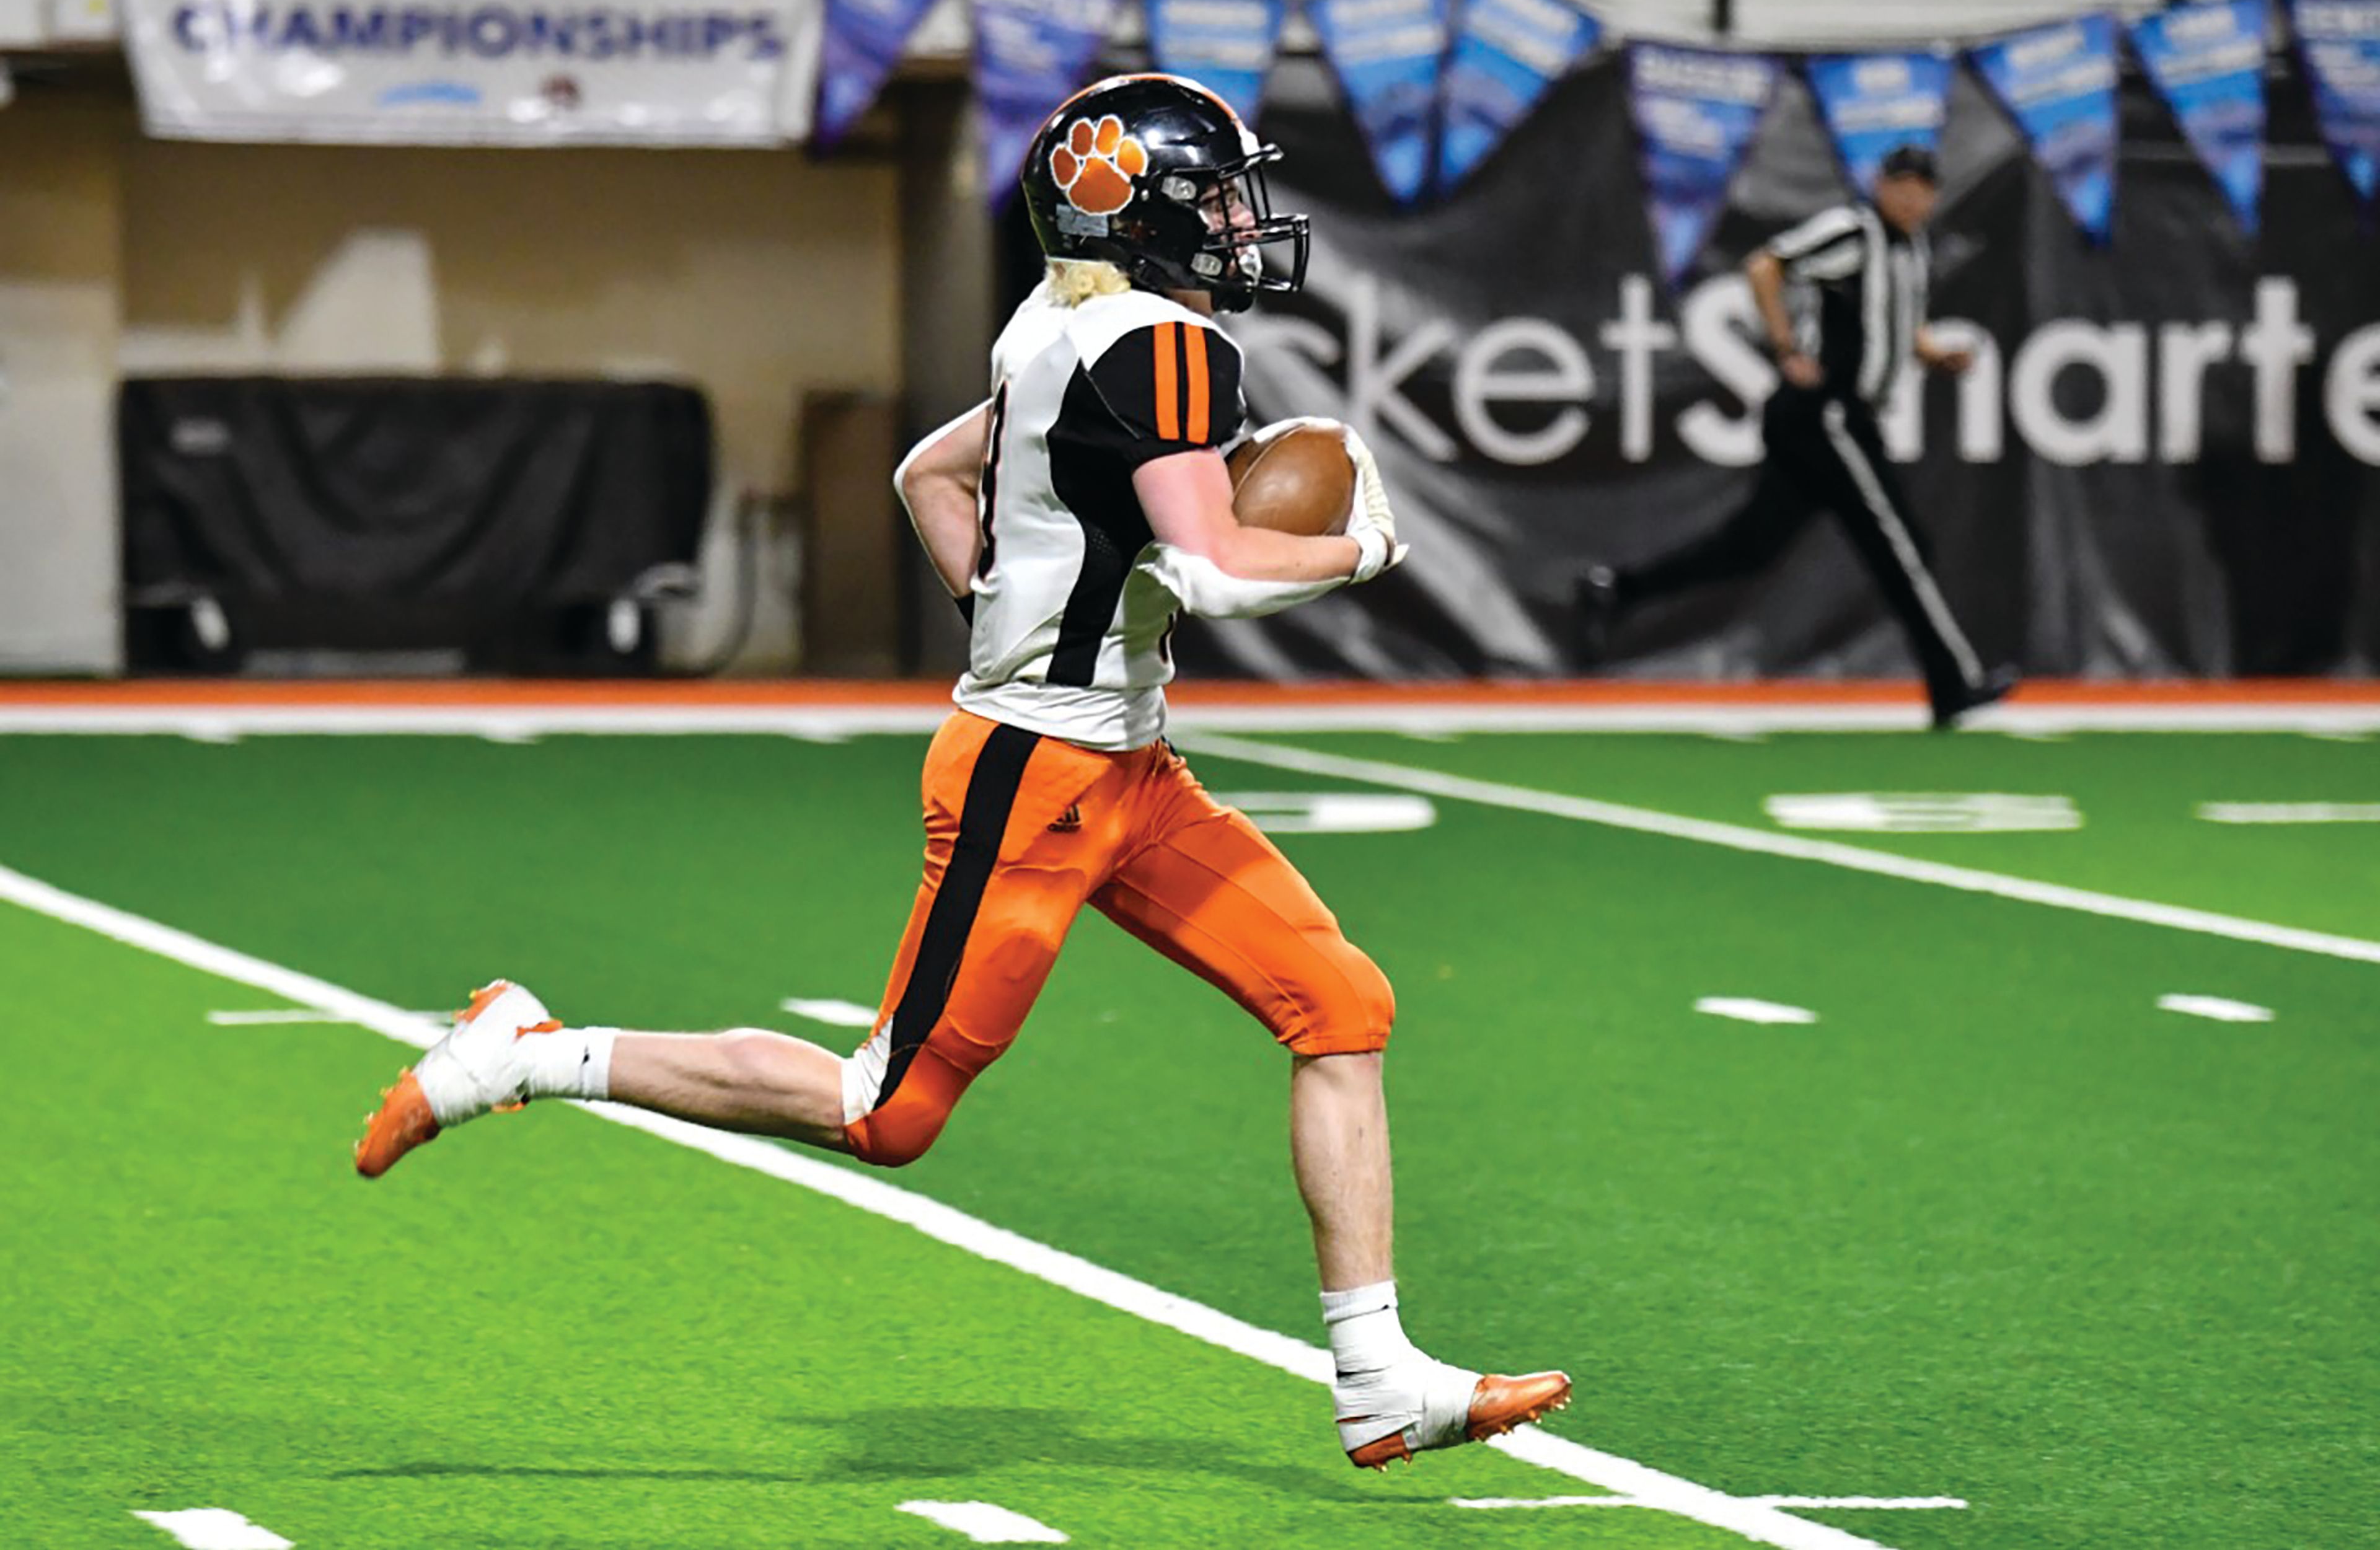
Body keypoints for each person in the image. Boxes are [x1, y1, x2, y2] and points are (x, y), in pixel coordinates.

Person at [354, 73, 1568, 1472]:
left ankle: (1376, 1374)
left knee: (1338, 1004)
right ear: (1145, 207)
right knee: (887, 1112)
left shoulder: (1051, 325)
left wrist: (1005, 616)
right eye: (1221, 196)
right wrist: (1362, 546)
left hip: (1118, 760)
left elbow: (932, 476)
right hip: (1038, 770)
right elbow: (1213, 568)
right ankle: (531, 1050)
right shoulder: (1164, 347)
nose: (1244, 225)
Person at [1581, 144, 2016, 729]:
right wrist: (1787, 348)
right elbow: (1766, 267)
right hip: (1826, 413)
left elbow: (1894, 325)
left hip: (1837, 417)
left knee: (1752, 546)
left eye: (1923, 187)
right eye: (1902, 184)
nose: (1912, 197)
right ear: (1880, 185)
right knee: (1903, 546)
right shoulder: (1853, 232)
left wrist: (1931, 354)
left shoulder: (1911, 249)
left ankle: (1615, 589)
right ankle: (1953, 683)